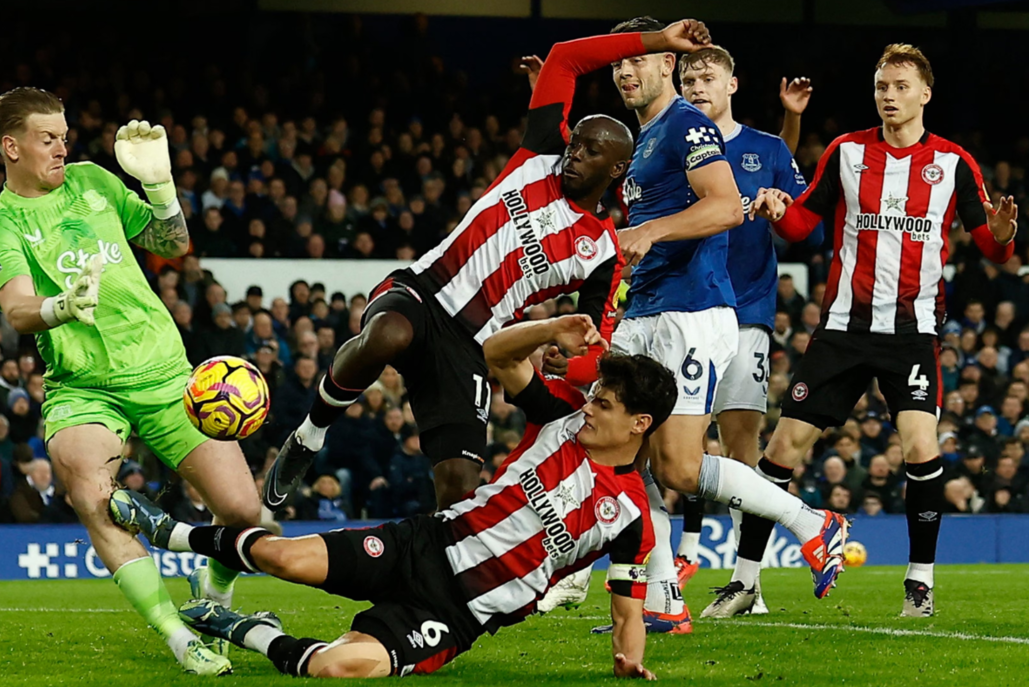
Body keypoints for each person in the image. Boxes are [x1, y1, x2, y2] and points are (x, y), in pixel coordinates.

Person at [266, 21, 710, 517]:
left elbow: (596, 337)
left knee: (457, 489)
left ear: (616, 170)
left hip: (473, 344)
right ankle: (310, 434)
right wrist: (662, 41)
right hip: (425, 290)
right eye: (575, 143)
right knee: (389, 334)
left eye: (589, 152)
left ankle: (432, 583)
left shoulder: (603, 250)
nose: (574, 155)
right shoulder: (541, 150)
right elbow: (565, 57)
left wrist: (574, 361)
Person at [111, 314, 667, 680]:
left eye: (606, 403)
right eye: (593, 395)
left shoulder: (633, 517)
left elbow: (628, 607)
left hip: (456, 613)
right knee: (283, 556)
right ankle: (173, 534)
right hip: (425, 543)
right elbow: (495, 355)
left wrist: (629, 662)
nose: (590, 406)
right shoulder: (561, 418)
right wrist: (553, 326)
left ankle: (248, 630)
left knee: (343, 667)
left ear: (639, 423)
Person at [543, 17, 848, 632]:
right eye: (619, 65)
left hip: (692, 310)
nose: (627, 71)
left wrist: (650, 230)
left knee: (680, 468)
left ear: (665, 66)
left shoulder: (688, 123)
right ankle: (664, 599)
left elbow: (724, 204)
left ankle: (813, 522)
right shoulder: (642, 139)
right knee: (621, 455)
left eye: (640, 60)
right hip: (648, 309)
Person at [0, 87, 259, 675]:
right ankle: (181, 638)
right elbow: (18, 310)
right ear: (11, 146)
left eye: (64, 136)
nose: (61, 146)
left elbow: (174, 244)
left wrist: (160, 187)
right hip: (82, 388)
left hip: (164, 372)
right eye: (47, 138)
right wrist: (60, 307)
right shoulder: (0, 227)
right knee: (90, 497)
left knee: (242, 511)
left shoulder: (93, 181)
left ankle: (215, 595)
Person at [752, 44, 1020, 617]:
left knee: (921, 447)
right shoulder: (847, 152)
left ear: (925, 93)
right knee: (781, 449)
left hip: (912, 333)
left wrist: (1001, 232)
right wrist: (779, 210)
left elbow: (997, 252)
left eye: (900, 86)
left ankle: (919, 583)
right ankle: (745, 583)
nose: (889, 96)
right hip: (843, 329)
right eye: (881, 87)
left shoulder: (953, 164)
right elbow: (803, 224)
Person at [667, 45, 824, 617]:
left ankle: (746, 580)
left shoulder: (767, 149)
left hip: (746, 313)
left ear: (733, 84)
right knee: (673, 443)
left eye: (708, 76)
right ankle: (671, 562)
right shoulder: (670, 145)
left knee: (740, 447)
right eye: (688, 77)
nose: (697, 85)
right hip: (683, 311)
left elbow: (805, 226)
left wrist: (781, 204)